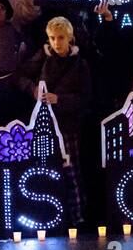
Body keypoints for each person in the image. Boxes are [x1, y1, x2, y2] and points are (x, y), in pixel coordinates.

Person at [25, 16, 92, 224]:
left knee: (72, 171)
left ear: (70, 38)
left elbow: (86, 97)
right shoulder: (41, 58)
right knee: (46, 170)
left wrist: (59, 99)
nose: (56, 43)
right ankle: (51, 216)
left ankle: (77, 216)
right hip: (45, 124)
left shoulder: (81, 64)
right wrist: (33, 89)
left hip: (68, 124)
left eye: (60, 37)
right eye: (53, 38)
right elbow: (19, 77)